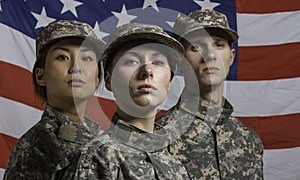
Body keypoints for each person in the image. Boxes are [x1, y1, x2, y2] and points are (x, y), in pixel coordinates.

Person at [62, 22, 192, 179]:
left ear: (169, 82)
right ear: (109, 81)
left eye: (157, 62)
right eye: (131, 61)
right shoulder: (98, 158)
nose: (147, 71)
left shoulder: (175, 165)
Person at [156, 9, 264, 179]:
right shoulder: (157, 138)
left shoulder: (249, 141)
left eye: (218, 45)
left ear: (231, 57)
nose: (210, 55)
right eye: (196, 47)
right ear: (180, 60)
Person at [4, 20, 105, 179]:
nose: (76, 67)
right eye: (62, 57)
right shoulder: (38, 146)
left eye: (86, 58)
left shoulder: (101, 141)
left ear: (97, 78)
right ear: (41, 76)